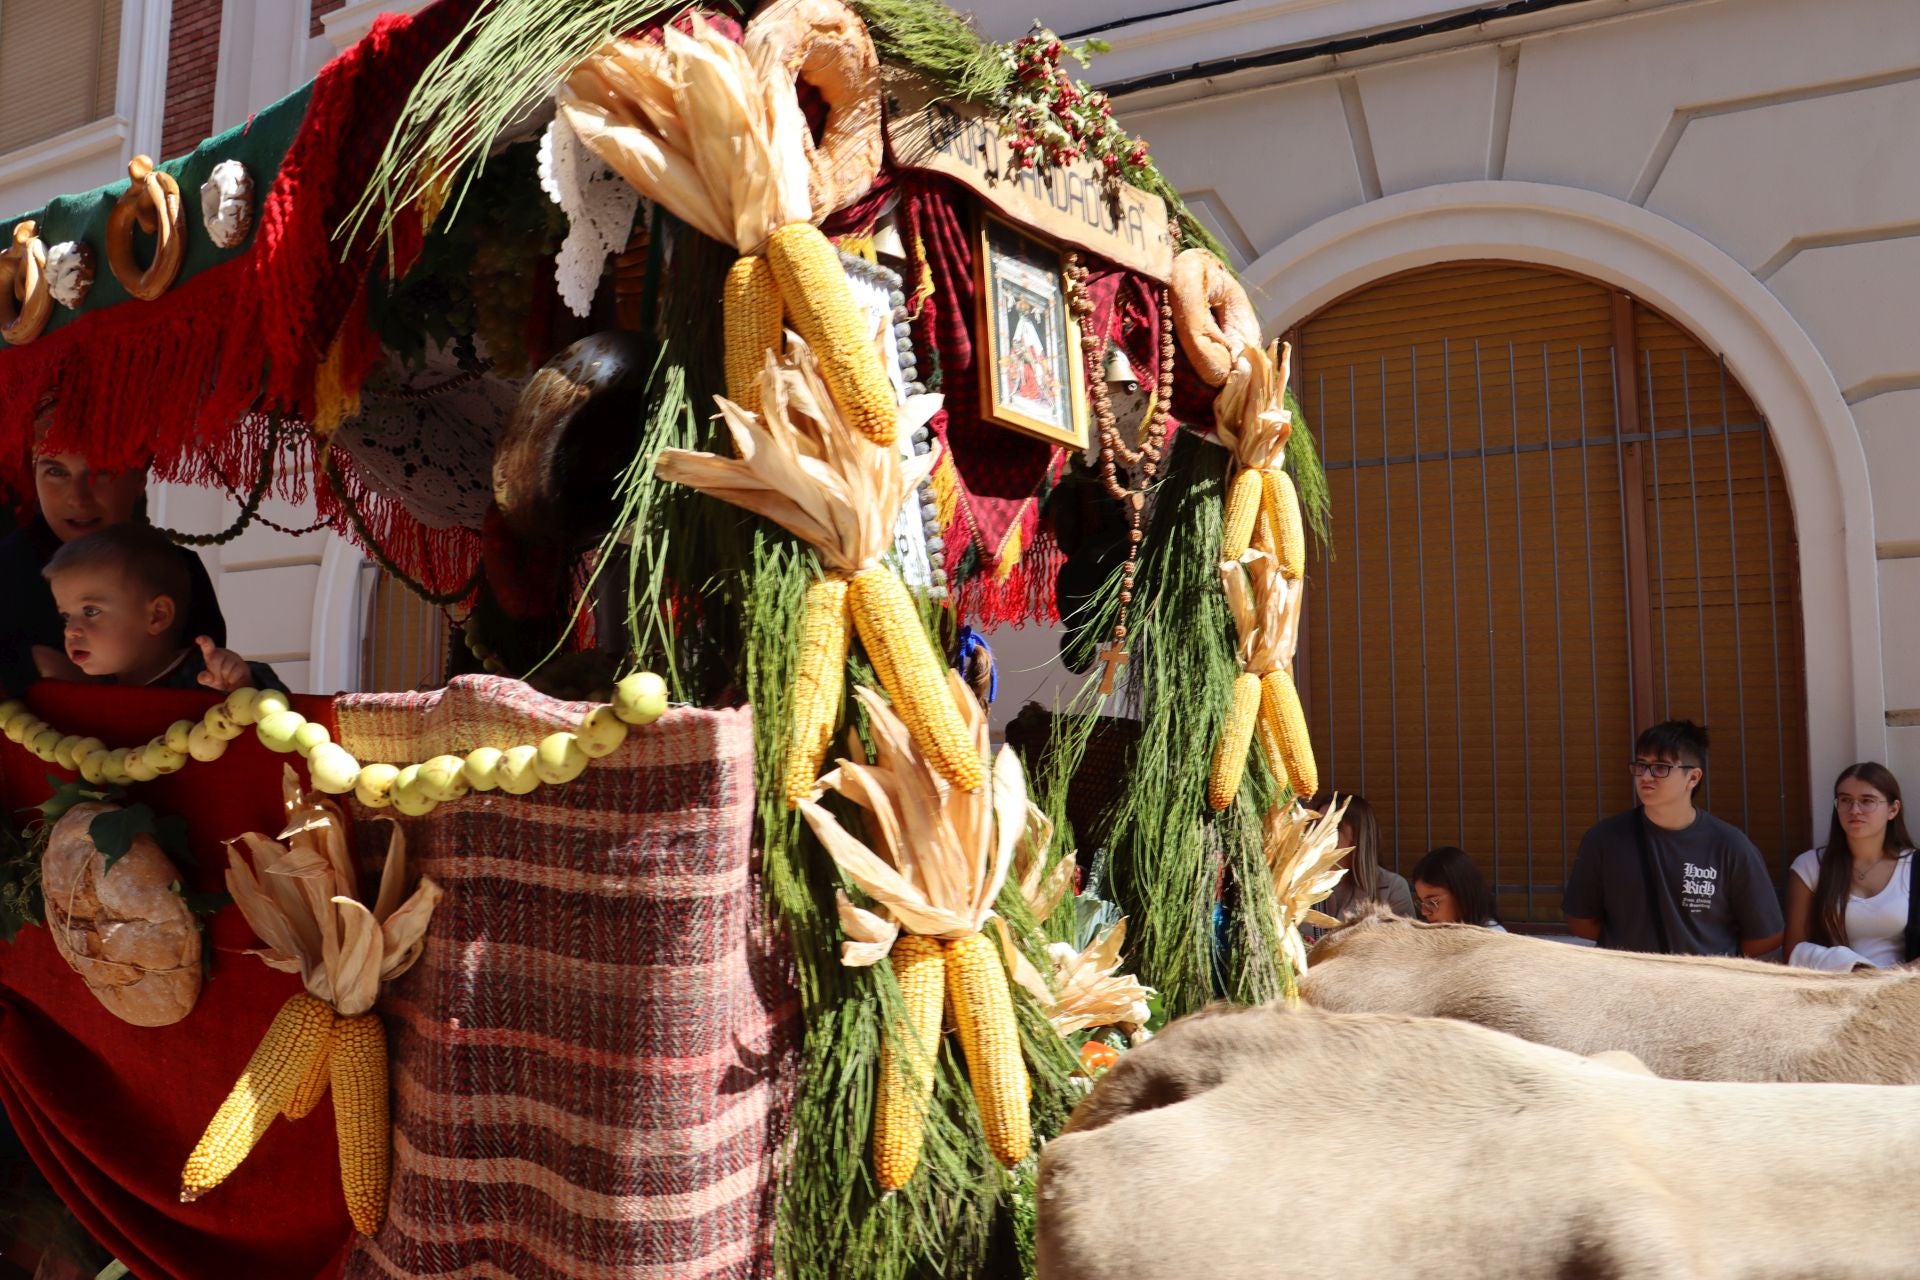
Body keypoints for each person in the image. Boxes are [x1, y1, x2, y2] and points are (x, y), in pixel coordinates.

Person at [0, 400, 225, 695]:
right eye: (56, 472)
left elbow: (207, 704)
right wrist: (30, 668)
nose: (77, 498)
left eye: (100, 472)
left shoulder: (178, 570)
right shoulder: (6, 567)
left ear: (139, 480)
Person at [1563, 720, 1783, 957]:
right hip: (1627, 982)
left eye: (1661, 767)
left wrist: (1714, 960)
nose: (1646, 776)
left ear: (1693, 778)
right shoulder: (1604, 839)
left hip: (1702, 986)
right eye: (1641, 765)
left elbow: (1766, 935)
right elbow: (1581, 920)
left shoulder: (1730, 846)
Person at [42, 524, 284, 694]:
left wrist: (242, 686)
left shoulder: (208, 680)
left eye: (91, 611)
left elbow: (279, 721)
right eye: (66, 616)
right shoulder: (92, 689)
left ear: (157, 616)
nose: (71, 630)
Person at [1782, 763, 1916, 971]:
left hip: (1902, 990)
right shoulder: (1810, 866)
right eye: (1845, 800)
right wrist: (1854, 968)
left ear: (1893, 809)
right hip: (1834, 990)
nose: (1854, 810)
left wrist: (1896, 977)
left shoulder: (1913, 867)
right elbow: (1793, 950)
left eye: (1867, 801)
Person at [1316, 793, 1416, 922]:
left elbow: (1405, 940)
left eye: (1330, 827)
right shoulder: (1296, 887)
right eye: (1316, 826)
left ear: (1358, 835)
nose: (1316, 835)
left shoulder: (1392, 888)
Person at [1409, 845, 1505, 930]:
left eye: (1433, 902)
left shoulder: (1494, 940)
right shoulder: (1439, 935)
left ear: (1462, 896)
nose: (1424, 912)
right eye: (1421, 903)